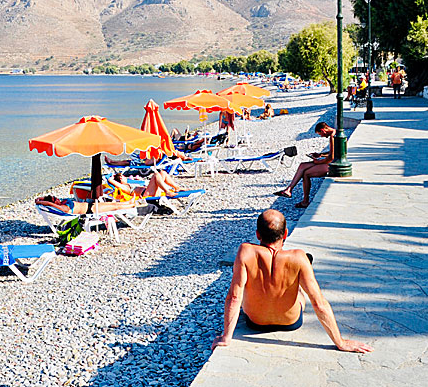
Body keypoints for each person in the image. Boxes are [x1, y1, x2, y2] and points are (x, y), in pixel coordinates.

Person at [212, 210, 373, 353]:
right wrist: (340, 342)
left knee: (247, 284)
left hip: (255, 323)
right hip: (290, 322)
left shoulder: (245, 251)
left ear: (258, 234)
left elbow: (234, 297)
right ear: (285, 233)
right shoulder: (298, 256)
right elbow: (319, 303)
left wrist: (226, 337)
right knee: (300, 290)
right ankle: (304, 270)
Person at [272, 122, 334, 208]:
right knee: (302, 165)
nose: (321, 136)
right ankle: (288, 189)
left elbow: (331, 157)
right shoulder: (333, 134)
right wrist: (320, 155)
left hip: (333, 165)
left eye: (320, 134)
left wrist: (318, 162)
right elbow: (333, 152)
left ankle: (305, 201)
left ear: (323, 130)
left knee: (306, 173)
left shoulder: (332, 137)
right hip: (331, 161)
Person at [108, 170, 180, 200]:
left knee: (162, 173)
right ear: (121, 178)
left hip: (149, 191)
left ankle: (177, 187)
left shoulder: (128, 184)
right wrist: (112, 177)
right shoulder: (123, 187)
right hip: (147, 194)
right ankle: (167, 191)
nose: (125, 177)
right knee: (155, 174)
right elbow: (110, 180)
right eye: (123, 176)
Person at [35, 195, 140, 214]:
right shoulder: (63, 207)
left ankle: (129, 202)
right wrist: (46, 202)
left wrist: (41, 198)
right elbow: (52, 204)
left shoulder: (62, 202)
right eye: (55, 199)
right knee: (114, 207)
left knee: (113, 204)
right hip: (91, 210)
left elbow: (47, 200)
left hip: (91, 205)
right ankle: (131, 205)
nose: (57, 198)